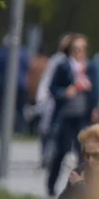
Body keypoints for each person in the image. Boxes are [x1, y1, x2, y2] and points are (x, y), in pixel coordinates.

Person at [47, 34, 97, 197]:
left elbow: (96, 90)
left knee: (83, 154)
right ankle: (51, 185)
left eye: (82, 49)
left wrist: (95, 106)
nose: (79, 52)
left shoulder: (90, 67)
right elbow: (52, 88)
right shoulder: (63, 67)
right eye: (76, 49)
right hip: (66, 115)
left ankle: (81, 187)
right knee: (61, 151)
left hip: (83, 115)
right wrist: (64, 92)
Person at [35, 33, 72, 164]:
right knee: (46, 129)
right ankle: (46, 155)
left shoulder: (75, 62)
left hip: (68, 101)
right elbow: (47, 78)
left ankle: (58, 155)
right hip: (51, 98)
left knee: (62, 130)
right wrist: (41, 95)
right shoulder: (56, 60)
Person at [0, 34, 31, 135]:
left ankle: (3, 129)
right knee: (20, 109)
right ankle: (19, 130)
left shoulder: (3, 52)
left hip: (6, 84)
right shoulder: (24, 51)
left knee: (4, 108)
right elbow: (28, 66)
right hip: (21, 84)